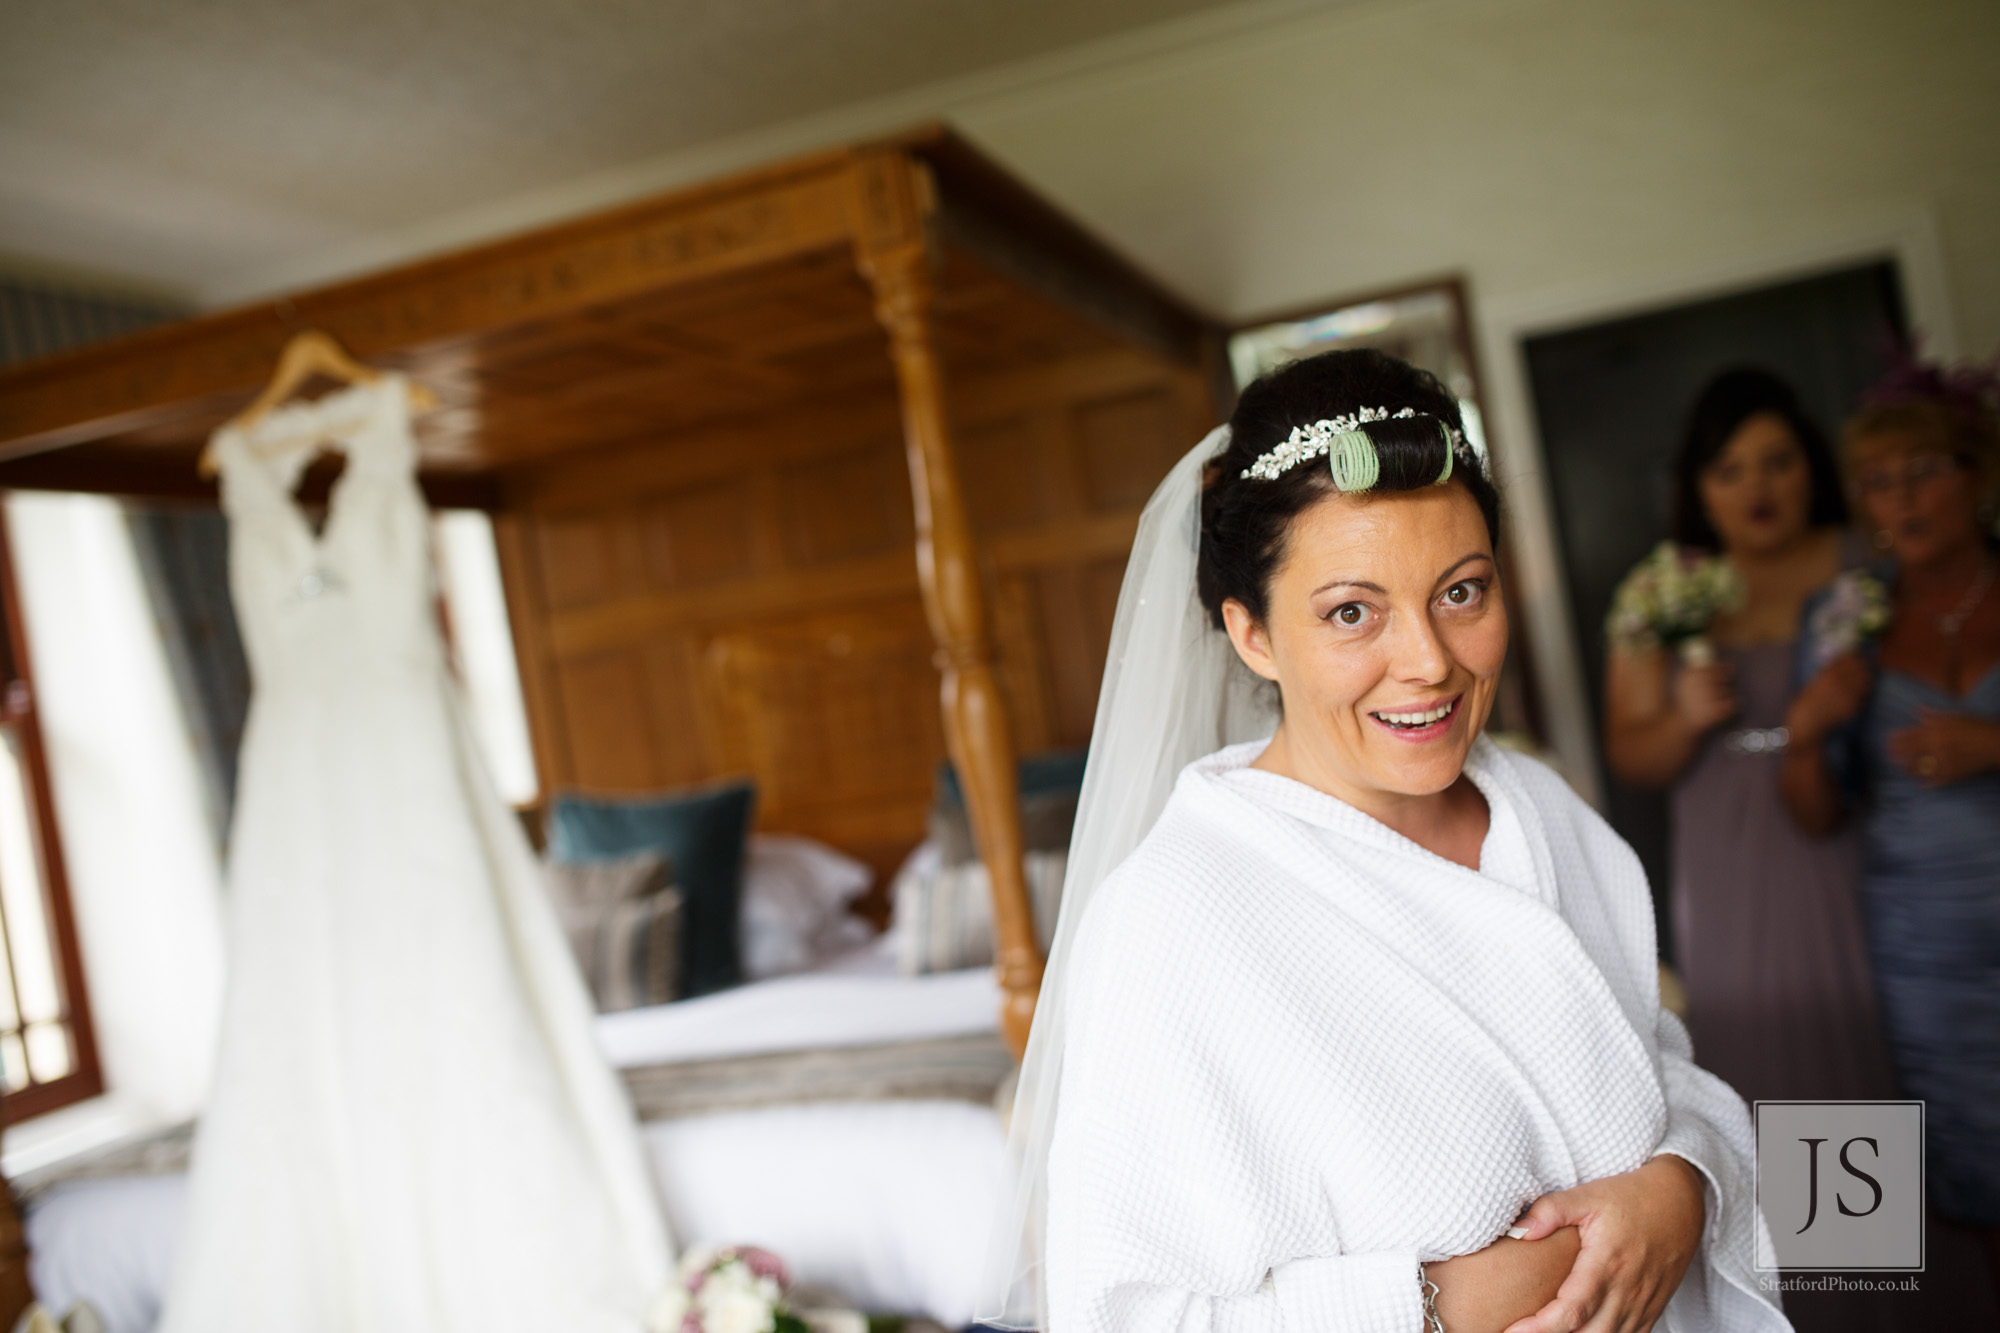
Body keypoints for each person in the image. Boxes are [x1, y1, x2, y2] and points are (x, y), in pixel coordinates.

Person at [982, 350, 1785, 1333]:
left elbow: (1654, 1063)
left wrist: (1683, 1181)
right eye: (1351, 612)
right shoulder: (1166, 917)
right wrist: (1432, 1304)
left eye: (1460, 592)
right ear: (1251, 635)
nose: (1428, 663)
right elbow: (1125, 1312)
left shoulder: (1542, 807)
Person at [1601, 370, 1895, 1106]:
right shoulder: (1663, 589)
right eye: (1729, 470)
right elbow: (1631, 754)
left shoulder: (1870, 565)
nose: (1756, 488)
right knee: (1772, 1054)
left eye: (1778, 461)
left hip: (1858, 830)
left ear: (1812, 467)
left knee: (1882, 1028)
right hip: (1729, 857)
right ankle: (1826, 1226)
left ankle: (1919, 1222)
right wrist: (1684, 717)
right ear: (1700, 488)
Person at [1782, 363, 2000, 1287]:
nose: (1898, 497)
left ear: (1980, 474)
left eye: (1924, 469)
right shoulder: (1840, 618)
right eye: (1876, 478)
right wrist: (1806, 732)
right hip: (1929, 948)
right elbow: (1815, 812)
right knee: (1979, 1166)